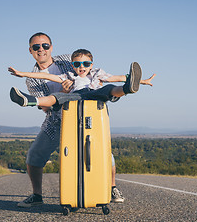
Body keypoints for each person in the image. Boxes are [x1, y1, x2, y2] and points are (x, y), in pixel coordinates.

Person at [13, 33, 150, 207]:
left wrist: (138, 81)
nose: (41, 49)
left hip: (88, 113)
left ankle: (112, 187)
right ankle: (37, 195)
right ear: (30, 50)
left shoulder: (67, 60)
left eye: (45, 45)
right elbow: (47, 107)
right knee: (34, 155)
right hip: (57, 119)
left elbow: (98, 73)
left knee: (104, 153)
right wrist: (65, 93)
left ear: (51, 47)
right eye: (36, 47)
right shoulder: (32, 80)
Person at [8, 49, 155, 108]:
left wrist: (142, 81)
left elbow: (117, 77)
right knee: (57, 96)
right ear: (72, 65)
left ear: (91, 65)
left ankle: (128, 89)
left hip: (95, 95)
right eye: (77, 64)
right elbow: (46, 75)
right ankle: (31, 101)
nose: (81, 67)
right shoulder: (69, 76)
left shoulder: (97, 74)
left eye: (86, 64)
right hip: (76, 96)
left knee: (109, 89)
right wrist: (23, 73)